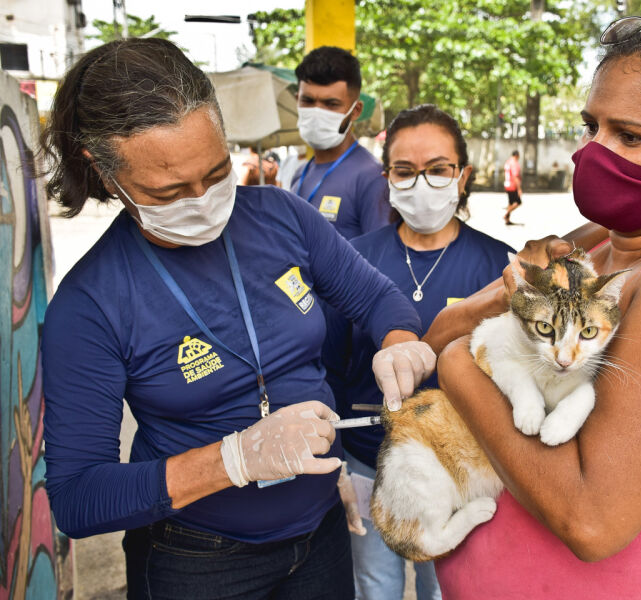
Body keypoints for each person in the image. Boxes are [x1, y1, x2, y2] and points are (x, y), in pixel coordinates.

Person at [38, 38, 436, 600]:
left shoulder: (282, 216)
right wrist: (234, 459)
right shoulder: (91, 303)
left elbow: (376, 298)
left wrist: (399, 341)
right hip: (198, 558)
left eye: (217, 170)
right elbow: (79, 498)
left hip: (321, 532)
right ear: (106, 175)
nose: (203, 199)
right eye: (170, 190)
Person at [424, 14, 641, 599]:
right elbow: (435, 334)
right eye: (592, 126)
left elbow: (591, 519)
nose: (594, 152)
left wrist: (461, 366)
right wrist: (506, 293)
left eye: (630, 136)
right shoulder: (595, 240)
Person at [323, 104, 515, 600]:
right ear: (388, 178)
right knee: (373, 585)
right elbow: (328, 366)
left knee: (446, 587)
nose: (421, 183)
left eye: (438, 169)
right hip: (368, 462)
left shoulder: (499, 267)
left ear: (463, 175)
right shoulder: (354, 260)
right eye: (405, 171)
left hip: (457, 465)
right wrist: (336, 463)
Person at [291, 46, 390, 239]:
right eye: (308, 101)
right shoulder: (299, 174)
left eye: (331, 104)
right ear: (297, 100)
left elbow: (381, 258)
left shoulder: (372, 178)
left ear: (355, 110)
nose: (317, 112)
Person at [503, 149, 522, 225]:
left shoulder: (508, 162)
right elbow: (515, 176)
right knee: (518, 202)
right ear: (517, 155)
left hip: (507, 184)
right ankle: (506, 214)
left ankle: (507, 220)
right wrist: (519, 189)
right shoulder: (514, 163)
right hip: (512, 185)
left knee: (510, 202)